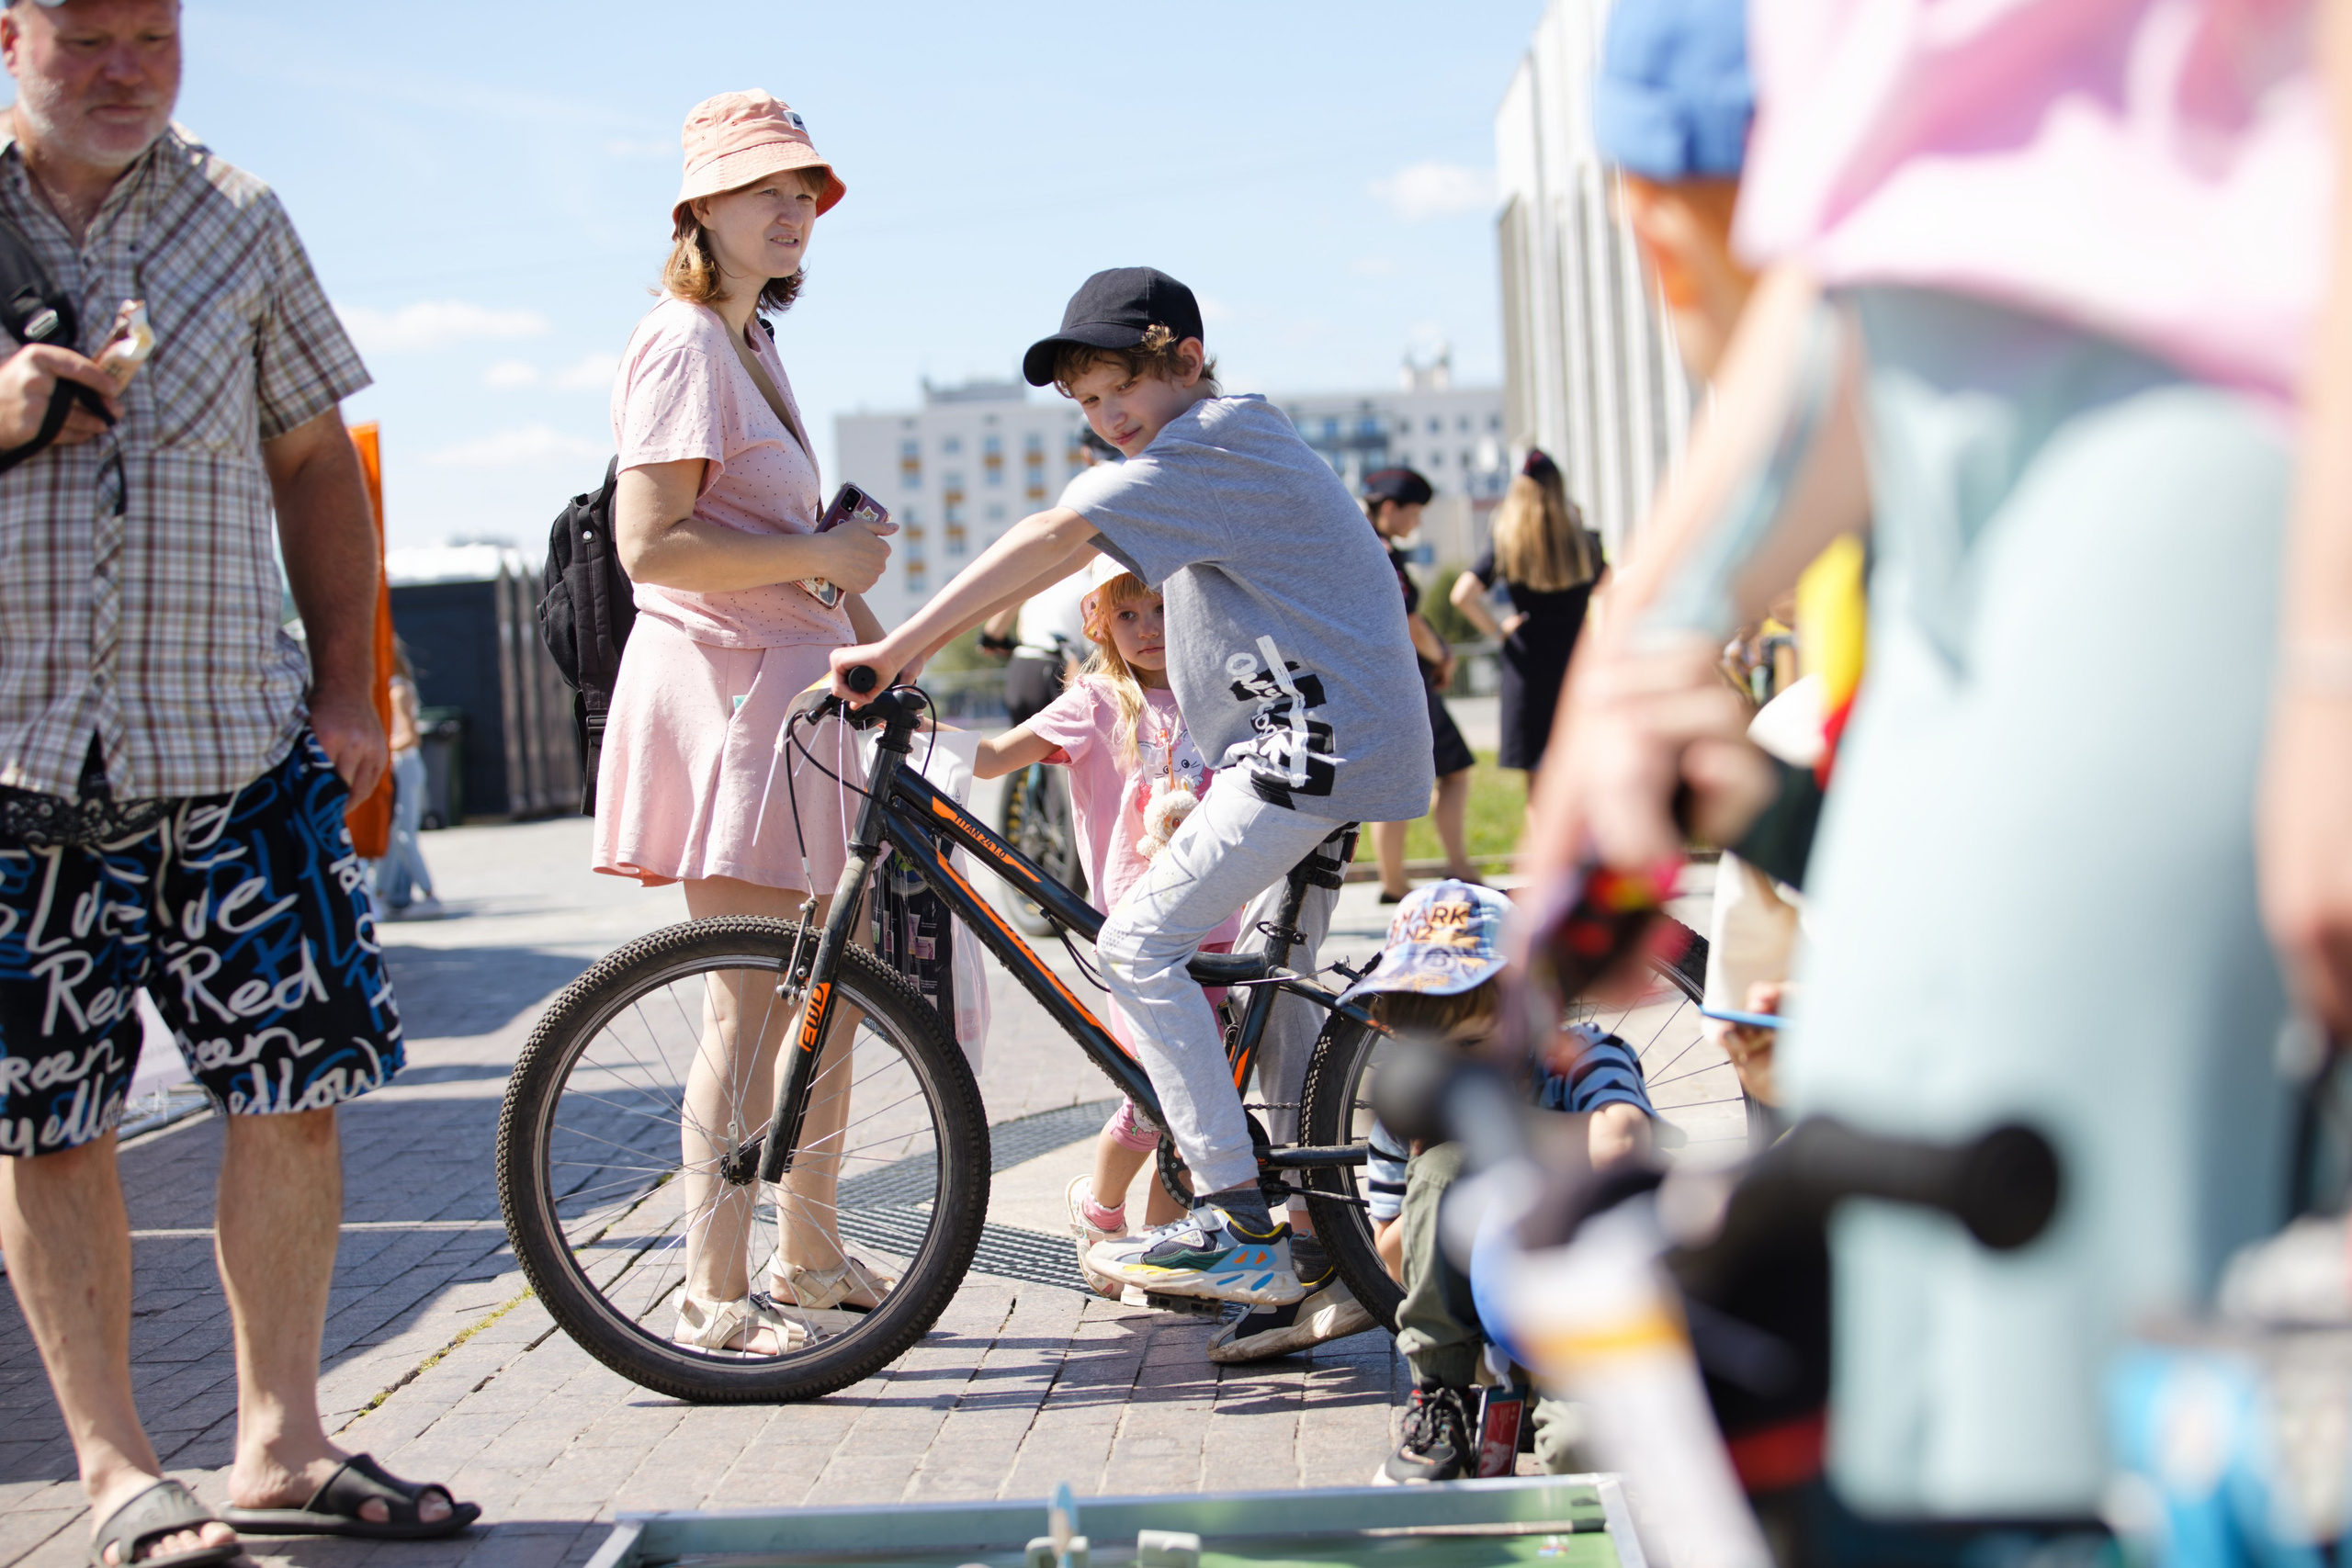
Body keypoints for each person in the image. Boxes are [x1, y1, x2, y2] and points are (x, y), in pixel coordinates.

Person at [1535, 0, 2326, 1529]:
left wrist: (2333, 654)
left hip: (2215, 402)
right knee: (1887, 1319)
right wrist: (1653, 637)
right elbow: (1875, 232)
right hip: (1926, 421)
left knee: (2083, 1379)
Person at [0, 2, 477, 1561]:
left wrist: (348, 686)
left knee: (301, 1088)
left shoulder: (238, 211)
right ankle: (121, 1469)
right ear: (11, 34)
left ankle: (281, 1439)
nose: (127, 68)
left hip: (233, 742)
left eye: (156, 33)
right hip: (12, 759)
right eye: (88, 39)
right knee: (46, 1120)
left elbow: (311, 458)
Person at [831, 265, 1433, 1307]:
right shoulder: (1220, 440)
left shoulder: (1210, 442)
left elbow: (1055, 537)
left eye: (1122, 392)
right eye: (1089, 405)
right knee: (1271, 1011)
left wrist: (899, 650)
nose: (1110, 420)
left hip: (1314, 748)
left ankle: (1233, 1218)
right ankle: (1312, 1245)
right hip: (1319, 742)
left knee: (1136, 944)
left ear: (1186, 364)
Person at [597, 90, 898, 1354]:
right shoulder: (680, 341)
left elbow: (744, 537)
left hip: (789, 691)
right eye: (766, 189)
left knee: (825, 990)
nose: (794, 211)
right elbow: (650, 544)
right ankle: (713, 1289)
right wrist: (829, 546)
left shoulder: (748, 342)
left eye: (805, 193)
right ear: (698, 209)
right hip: (732, 702)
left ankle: (812, 1257)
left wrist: (831, 562)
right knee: (748, 1001)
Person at [971, 556, 1244, 1289]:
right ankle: (1098, 1210)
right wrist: (912, 734)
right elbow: (998, 756)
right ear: (1099, 624)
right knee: (1154, 1094)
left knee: (1198, 1098)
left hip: (1215, 924)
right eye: (1127, 615)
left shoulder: (1214, 693)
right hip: (1134, 936)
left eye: (1160, 609)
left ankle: (1161, 1243)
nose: (1148, 629)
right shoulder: (1094, 702)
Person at [1345, 882, 1656, 1483]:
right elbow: (1394, 1258)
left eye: (1470, 1045)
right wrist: (1437, 1163)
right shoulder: (1409, 1107)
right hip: (1485, 1328)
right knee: (1441, 1166)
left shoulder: (1582, 1056)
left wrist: (1488, 1120)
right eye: (1427, 1051)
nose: (1448, 1070)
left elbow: (1622, 1143)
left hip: (1587, 1321)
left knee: (1581, 1451)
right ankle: (1442, 1397)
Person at [1448, 450, 1606, 787]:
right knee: (1586, 772)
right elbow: (1614, 588)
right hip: (1578, 660)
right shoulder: (1584, 542)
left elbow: (1462, 595)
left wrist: (1498, 630)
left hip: (1528, 662)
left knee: (1539, 783)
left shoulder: (1507, 541)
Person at [1361, 467, 1478, 902]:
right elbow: (1409, 622)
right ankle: (1456, 868)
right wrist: (1443, 654)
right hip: (1405, 684)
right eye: (1415, 512)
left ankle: (1394, 881)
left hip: (1387, 681)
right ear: (1389, 508)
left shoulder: (1363, 544)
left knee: (1398, 779)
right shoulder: (1381, 552)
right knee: (1453, 772)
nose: (1418, 522)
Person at [977, 427, 1116, 724]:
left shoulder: (1042, 578)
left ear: (1086, 453)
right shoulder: (1090, 584)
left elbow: (992, 634)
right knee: (1070, 757)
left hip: (1022, 667)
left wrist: (993, 639)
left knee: (1022, 761)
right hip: (1059, 667)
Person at [370, 641, 442, 921]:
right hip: (402, 765)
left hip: (403, 765)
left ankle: (429, 894)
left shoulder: (397, 691)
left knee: (403, 836)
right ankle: (379, 895)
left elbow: (410, 737)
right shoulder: (397, 687)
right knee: (393, 837)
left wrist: (380, 747)